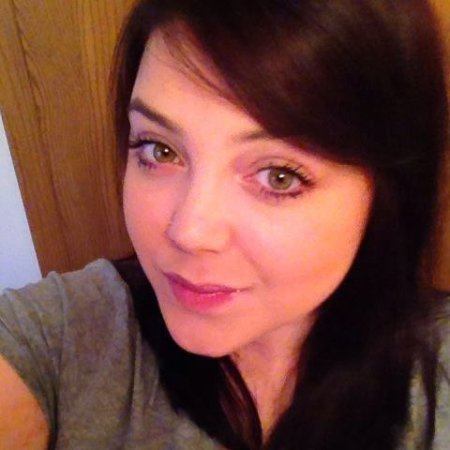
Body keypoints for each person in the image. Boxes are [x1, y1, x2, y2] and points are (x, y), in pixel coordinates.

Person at [0, 0, 449, 449]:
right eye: (159, 149)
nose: (189, 232)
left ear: (387, 193)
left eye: (279, 176)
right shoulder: (66, 335)